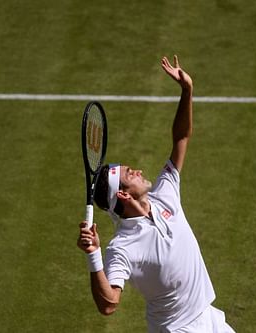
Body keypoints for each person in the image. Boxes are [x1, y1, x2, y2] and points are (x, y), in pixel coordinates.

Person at [77, 55, 235, 333]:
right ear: (124, 196)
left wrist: (187, 91)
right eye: (130, 174)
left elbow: (181, 138)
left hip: (209, 318)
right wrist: (93, 254)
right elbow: (109, 304)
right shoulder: (122, 247)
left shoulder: (165, 194)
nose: (137, 171)